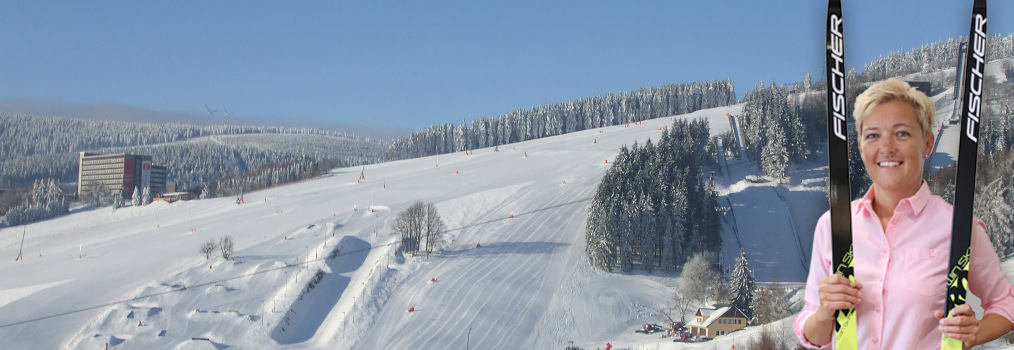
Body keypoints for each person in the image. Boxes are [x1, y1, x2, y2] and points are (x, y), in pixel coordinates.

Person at [793, 79, 1014, 349]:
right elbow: (811, 331)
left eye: (902, 134)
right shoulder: (834, 225)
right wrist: (824, 313)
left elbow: (1007, 303)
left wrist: (974, 332)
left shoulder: (957, 228)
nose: (887, 147)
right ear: (861, 147)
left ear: (928, 144)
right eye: (873, 135)